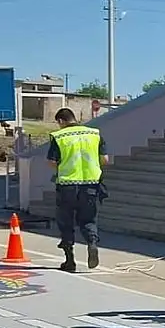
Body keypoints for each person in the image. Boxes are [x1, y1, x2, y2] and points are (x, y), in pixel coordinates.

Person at [47, 107, 108, 273]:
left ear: (61, 121)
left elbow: (52, 162)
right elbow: (105, 159)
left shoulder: (60, 137)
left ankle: (70, 260)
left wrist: (63, 167)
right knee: (89, 219)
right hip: (91, 185)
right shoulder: (94, 134)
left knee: (66, 222)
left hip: (67, 186)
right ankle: (92, 243)